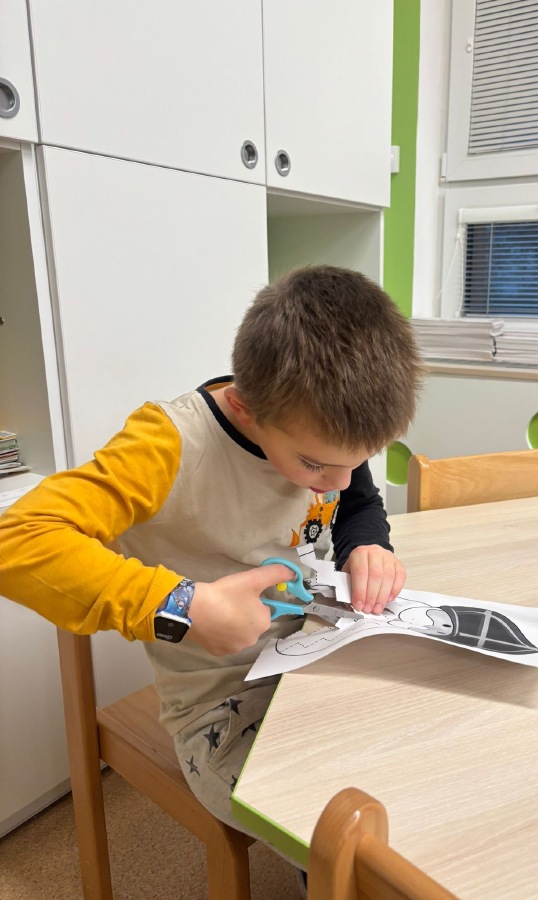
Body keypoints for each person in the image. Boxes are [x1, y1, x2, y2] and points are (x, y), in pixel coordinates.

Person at [0, 265, 423, 836]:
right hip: (220, 707)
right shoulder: (169, 444)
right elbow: (16, 543)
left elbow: (357, 502)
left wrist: (368, 541)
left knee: (421, 761)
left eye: (358, 461)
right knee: (351, 838)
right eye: (316, 466)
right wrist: (182, 606)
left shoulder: (327, 432)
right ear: (245, 407)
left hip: (316, 659)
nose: (341, 482)